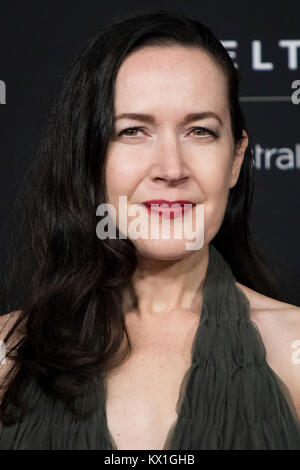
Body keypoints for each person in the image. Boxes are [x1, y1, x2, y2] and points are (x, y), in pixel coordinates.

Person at [0, 9, 299, 450]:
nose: (171, 169)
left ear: (236, 159)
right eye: (135, 131)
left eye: (200, 131)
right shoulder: (8, 358)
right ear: (89, 156)